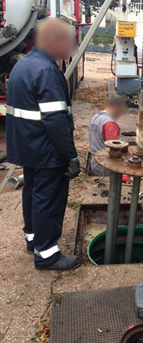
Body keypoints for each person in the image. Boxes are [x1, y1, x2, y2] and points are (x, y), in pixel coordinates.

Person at [6, 18, 81, 271]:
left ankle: (33, 240)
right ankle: (47, 254)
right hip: (46, 149)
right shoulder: (47, 72)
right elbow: (56, 121)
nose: (71, 48)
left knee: (33, 193)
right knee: (48, 199)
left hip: (27, 146)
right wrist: (71, 156)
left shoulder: (24, 64)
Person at [88, 97, 128, 176]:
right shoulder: (109, 123)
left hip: (95, 163)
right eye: (121, 111)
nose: (121, 114)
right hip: (106, 166)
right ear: (116, 108)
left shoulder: (95, 118)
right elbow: (117, 148)